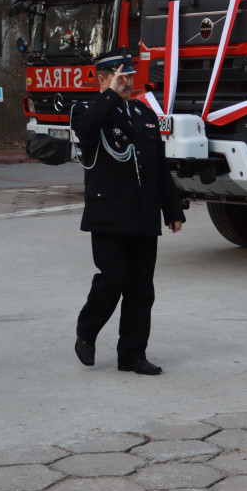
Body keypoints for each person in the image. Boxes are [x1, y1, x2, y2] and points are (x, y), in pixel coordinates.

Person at [71, 48, 185, 376]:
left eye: (130, 76)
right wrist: (109, 95)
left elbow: (158, 167)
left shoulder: (144, 114)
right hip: (108, 213)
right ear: (102, 78)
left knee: (141, 288)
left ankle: (132, 355)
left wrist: (172, 209)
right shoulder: (88, 109)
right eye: (120, 77)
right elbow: (87, 130)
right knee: (113, 279)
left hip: (143, 214)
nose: (127, 82)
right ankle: (87, 331)